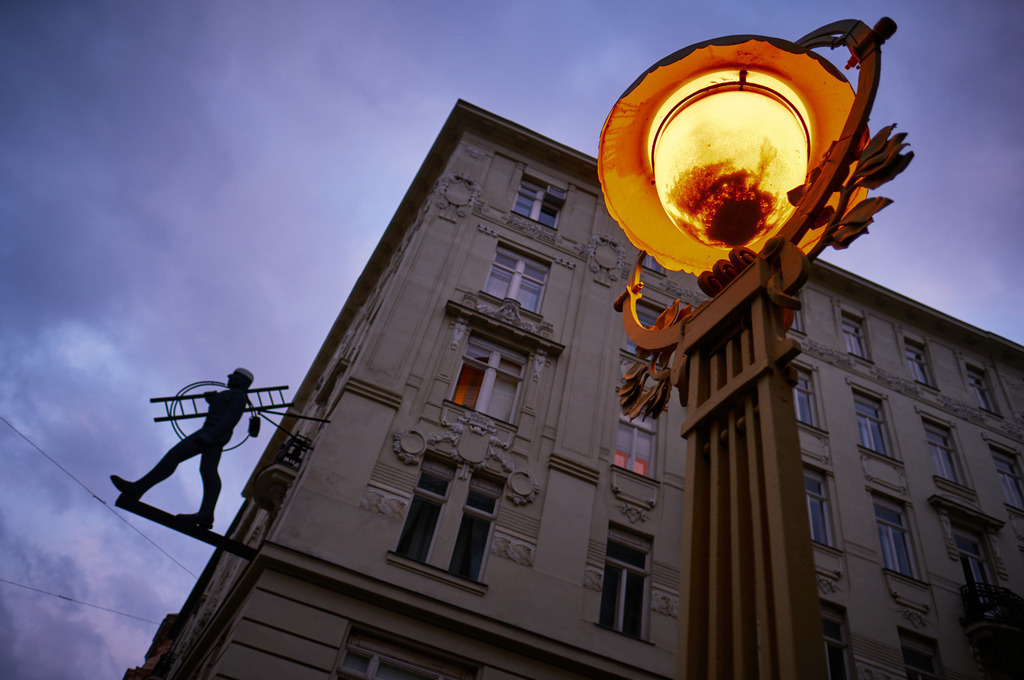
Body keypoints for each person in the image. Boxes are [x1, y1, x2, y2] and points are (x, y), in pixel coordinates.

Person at [111, 368, 254, 529]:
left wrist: (211, 436)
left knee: (174, 456)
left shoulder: (238, 396)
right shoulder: (230, 395)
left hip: (211, 433)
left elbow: (230, 420)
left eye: (234, 375)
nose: (229, 376)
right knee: (208, 471)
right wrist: (214, 401)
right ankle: (206, 513)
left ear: (242, 381)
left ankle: (138, 488)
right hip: (212, 433)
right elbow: (222, 411)